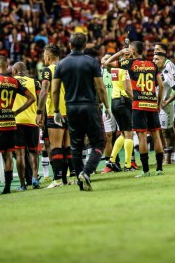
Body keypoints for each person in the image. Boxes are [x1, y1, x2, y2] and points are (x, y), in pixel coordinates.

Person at [52, 33, 110, 190]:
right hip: (89, 106)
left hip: (71, 108)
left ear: (70, 45)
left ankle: (81, 182)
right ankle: (86, 172)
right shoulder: (91, 62)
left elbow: (55, 90)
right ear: (85, 46)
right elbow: (100, 87)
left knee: (76, 146)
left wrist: (56, 110)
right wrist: (107, 106)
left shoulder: (61, 64)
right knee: (99, 141)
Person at [106, 40, 166, 177]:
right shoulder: (152, 64)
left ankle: (145, 170)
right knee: (156, 135)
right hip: (151, 103)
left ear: (132, 51)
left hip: (138, 104)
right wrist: (158, 103)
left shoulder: (129, 64)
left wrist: (121, 52)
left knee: (142, 136)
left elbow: (107, 63)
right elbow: (161, 86)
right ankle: (159, 168)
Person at [0, 56, 35, 196]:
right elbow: (32, 98)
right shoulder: (14, 81)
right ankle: (8, 187)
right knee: (8, 154)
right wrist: (16, 111)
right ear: (7, 66)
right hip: (11, 123)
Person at [38, 45, 71, 188]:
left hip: (55, 112)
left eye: (44, 55)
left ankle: (57, 179)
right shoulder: (67, 68)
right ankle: (71, 177)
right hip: (70, 111)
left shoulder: (48, 70)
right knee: (68, 146)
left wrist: (39, 112)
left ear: (48, 57)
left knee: (56, 146)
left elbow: (44, 91)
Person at [104, 47, 136, 172]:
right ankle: (128, 165)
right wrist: (135, 100)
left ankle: (111, 160)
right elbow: (128, 89)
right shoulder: (125, 69)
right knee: (129, 133)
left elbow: (106, 62)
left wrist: (120, 53)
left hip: (115, 102)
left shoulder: (114, 68)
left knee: (123, 133)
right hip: (124, 101)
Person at [11, 62, 41, 190]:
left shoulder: (10, 82)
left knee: (20, 154)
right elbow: (41, 101)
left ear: (15, 70)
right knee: (34, 152)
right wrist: (41, 116)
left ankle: (23, 184)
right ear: (26, 71)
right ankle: (35, 178)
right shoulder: (35, 82)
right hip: (32, 120)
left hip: (16, 121)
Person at [153, 48, 175, 165]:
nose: (154, 61)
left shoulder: (166, 74)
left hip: (165, 107)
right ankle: (162, 157)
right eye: (153, 59)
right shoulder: (152, 73)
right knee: (158, 132)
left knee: (166, 131)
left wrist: (167, 101)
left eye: (157, 59)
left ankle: (168, 158)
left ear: (163, 59)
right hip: (154, 107)